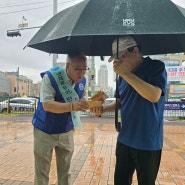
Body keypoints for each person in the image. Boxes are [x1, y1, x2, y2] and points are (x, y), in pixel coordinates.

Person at [91, 36, 167, 185]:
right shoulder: (121, 77)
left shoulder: (155, 67)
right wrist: (104, 109)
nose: (118, 62)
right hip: (125, 139)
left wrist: (126, 74)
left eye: (121, 56)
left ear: (136, 51)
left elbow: (154, 95)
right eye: (115, 59)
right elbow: (120, 102)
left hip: (148, 141)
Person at [32, 52, 89, 185]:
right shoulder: (51, 77)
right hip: (44, 130)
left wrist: (87, 104)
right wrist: (72, 106)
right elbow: (47, 105)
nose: (82, 73)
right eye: (78, 69)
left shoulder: (83, 81)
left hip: (66, 130)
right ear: (67, 66)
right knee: (42, 172)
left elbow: (81, 100)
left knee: (65, 172)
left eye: (85, 68)